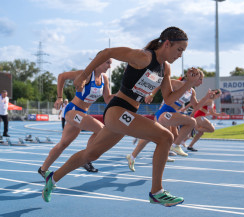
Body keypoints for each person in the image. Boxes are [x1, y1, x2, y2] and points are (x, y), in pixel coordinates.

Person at [42, 26, 202, 207]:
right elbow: (106, 52)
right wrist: (84, 75)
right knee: (166, 137)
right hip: (117, 110)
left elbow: (169, 98)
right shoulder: (144, 57)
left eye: (183, 51)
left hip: (127, 115)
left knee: (91, 154)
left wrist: (189, 83)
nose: (180, 55)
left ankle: (52, 178)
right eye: (179, 49)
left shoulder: (164, 68)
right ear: (167, 44)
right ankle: (156, 192)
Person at [38, 59, 114, 178]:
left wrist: (125, 94)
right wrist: (59, 97)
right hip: (72, 111)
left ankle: (43, 169)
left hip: (82, 113)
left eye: (111, 63)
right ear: (99, 61)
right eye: (107, 63)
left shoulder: (104, 79)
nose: (110, 66)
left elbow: (108, 99)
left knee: (63, 144)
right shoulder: (86, 74)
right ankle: (86, 159)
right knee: (101, 129)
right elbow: (61, 76)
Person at [126, 74, 214, 172]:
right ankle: (173, 147)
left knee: (172, 136)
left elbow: (196, 106)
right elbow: (162, 83)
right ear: (193, 78)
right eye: (200, 79)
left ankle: (134, 156)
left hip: (171, 114)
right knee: (189, 123)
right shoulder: (179, 84)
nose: (201, 82)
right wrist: (151, 95)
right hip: (164, 112)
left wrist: (206, 97)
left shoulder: (192, 91)